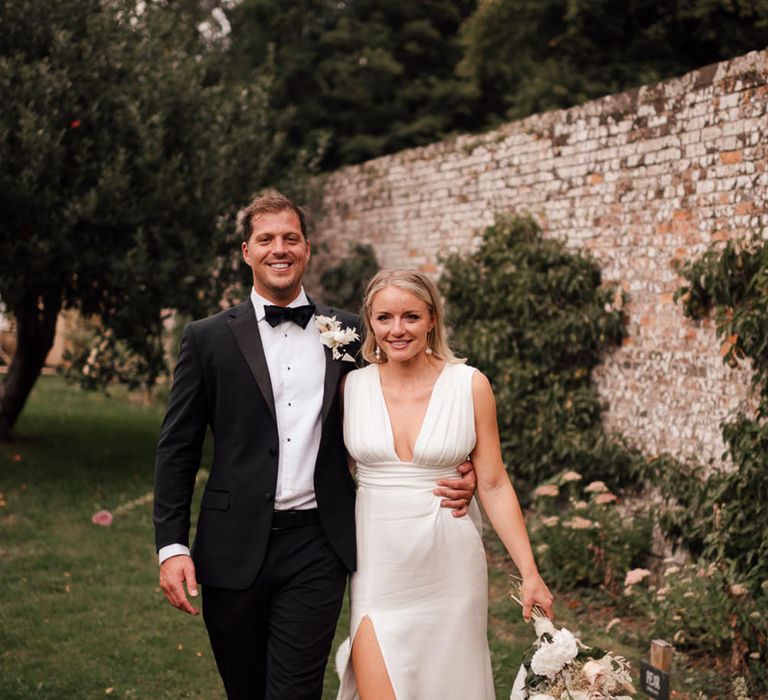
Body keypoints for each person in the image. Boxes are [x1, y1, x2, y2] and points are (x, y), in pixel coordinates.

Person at [152, 190, 477, 700]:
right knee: (245, 689)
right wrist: (172, 545)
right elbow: (178, 448)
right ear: (246, 251)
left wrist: (463, 466)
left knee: (296, 692)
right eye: (266, 239)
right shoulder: (206, 338)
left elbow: (407, 399)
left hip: (318, 544)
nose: (278, 249)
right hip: (231, 544)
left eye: (290, 238)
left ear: (307, 248)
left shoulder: (352, 333)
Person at [336, 269, 554, 700]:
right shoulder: (351, 387)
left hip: (449, 567)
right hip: (377, 568)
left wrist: (530, 574)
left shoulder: (469, 385)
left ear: (432, 319)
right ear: (370, 322)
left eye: (411, 317)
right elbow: (330, 476)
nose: (397, 330)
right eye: (384, 318)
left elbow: (492, 483)